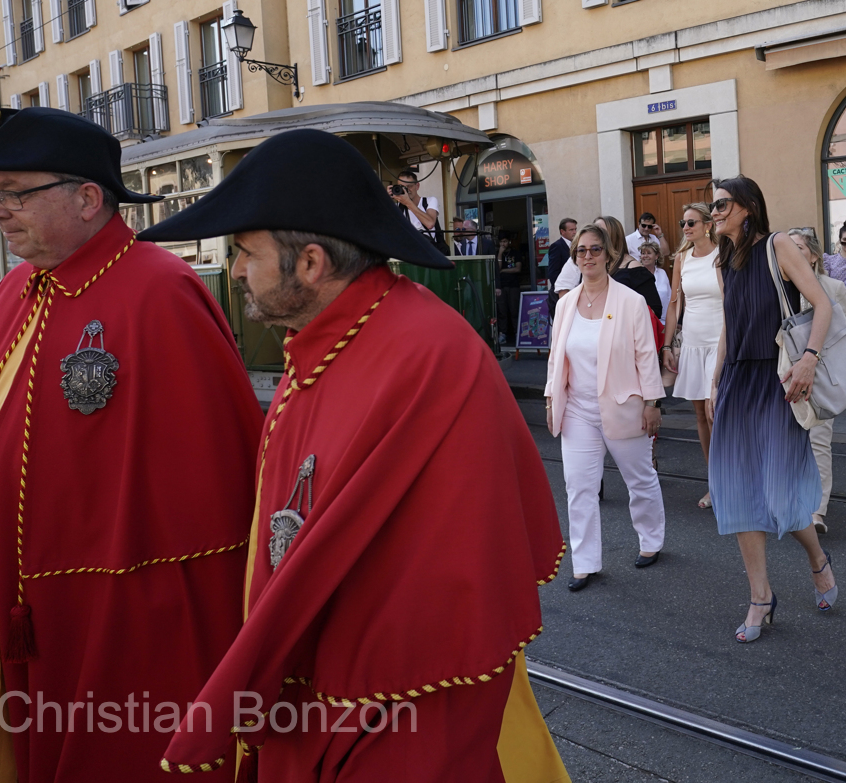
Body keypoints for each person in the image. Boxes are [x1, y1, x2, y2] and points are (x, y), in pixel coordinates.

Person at [136, 129, 569, 781]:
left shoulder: (426, 353)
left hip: (396, 718)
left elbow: (435, 595)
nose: (235, 271)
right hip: (329, 705)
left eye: (246, 252)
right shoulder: (324, 341)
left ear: (310, 263)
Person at [0, 107, 261, 780]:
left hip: (124, 612)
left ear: (88, 198)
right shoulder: (15, 290)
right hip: (12, 594)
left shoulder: (161, 291)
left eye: (13, 193)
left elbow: (214, 491)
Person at [704, 176, 838, 644]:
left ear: (747, 207)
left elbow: (822, 304)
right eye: (712, 204)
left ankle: (817, 559)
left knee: (781, 495)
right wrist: (717, 380)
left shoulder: (778, 246)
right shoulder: (725, 260)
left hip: (778, 380)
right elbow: (729, 323)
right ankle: (761, 596)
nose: (713, 212)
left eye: (721, 204)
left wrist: (809, 358)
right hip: (740, 381)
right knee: (739, 493)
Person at [544, 224, 666, 593]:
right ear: (575, 257)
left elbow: (647, 355)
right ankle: (584, 563)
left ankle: (651, 539)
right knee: (578, 486)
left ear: (609, 255)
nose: (588, 256)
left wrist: (652, 403)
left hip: (624, 404)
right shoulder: (566, 304)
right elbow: (556, 358)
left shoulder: (630, 301)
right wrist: (552, 397)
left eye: (595, 250)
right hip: (578, 409)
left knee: (639, 479)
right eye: (581, 251)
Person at [788, 228, 846, 536]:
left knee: (819, 441)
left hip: (823, 374)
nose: (793, 256)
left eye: (799, 249)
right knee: (790, 442)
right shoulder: (780, 288)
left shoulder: (833, 287)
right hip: (784, 376)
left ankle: (817, 511)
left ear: (815, 255)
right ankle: (793, 501)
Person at [662, 203, 721, 510]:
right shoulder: (682, 258)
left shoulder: (723, 256)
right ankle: (714, 483)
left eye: (691, 222)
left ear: (708, 225)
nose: (685, 227)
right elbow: (673, 304)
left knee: (716, 414)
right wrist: (668, 344)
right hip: (693, 343)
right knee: (700, 414)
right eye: (683, 222)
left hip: (720, 342)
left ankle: (727, 481)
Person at [599, 215, 662, 319]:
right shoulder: (590, 263)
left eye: (600, 231)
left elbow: (654, 310)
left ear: (614, 236)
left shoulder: (634, 270)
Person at [387, 168, 441, 246]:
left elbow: (430, 224)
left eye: (409, 186)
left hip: (427, 250)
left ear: (417, 186)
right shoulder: (397, 207)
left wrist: (408, 202)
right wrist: (385, 198)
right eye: (402, 187)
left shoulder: (429, 201)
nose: (406, 190)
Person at [496, 235, 523, 344]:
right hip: (501, 286)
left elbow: (518, 268)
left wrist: (503, 271)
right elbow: (497, 268)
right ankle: (503, 334)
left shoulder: (515, 253)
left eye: (505, 241)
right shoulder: (497, 253)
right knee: (502, 311)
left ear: (509, 242)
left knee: (514, 310)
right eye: (501, 241)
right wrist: (500, 254)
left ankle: (517, 333)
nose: (503, 244)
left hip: (513, 286)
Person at [639, 241, 670, 325]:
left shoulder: (662, 273)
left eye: (649, 253)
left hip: (663, 321)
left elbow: (669, 297)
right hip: (645, 322)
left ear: (656, 256)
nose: (645, 256)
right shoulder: (637, 274)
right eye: (643, 253)